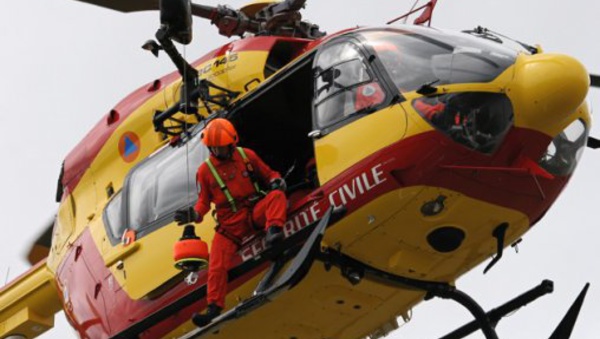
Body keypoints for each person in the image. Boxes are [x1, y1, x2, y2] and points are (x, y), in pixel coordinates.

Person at [174, 118, 287, 327]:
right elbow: (203, 204)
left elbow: (270, 174)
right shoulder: (204, 172)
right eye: (214, 148)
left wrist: (276, 181)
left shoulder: (247, 156)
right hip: (229, 225)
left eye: (222, 147)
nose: (219, 151)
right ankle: (214, 307)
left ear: (231, 143)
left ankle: (274, 231)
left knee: (277, 197)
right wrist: (193, 216)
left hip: (254, 211)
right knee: (216, 265)